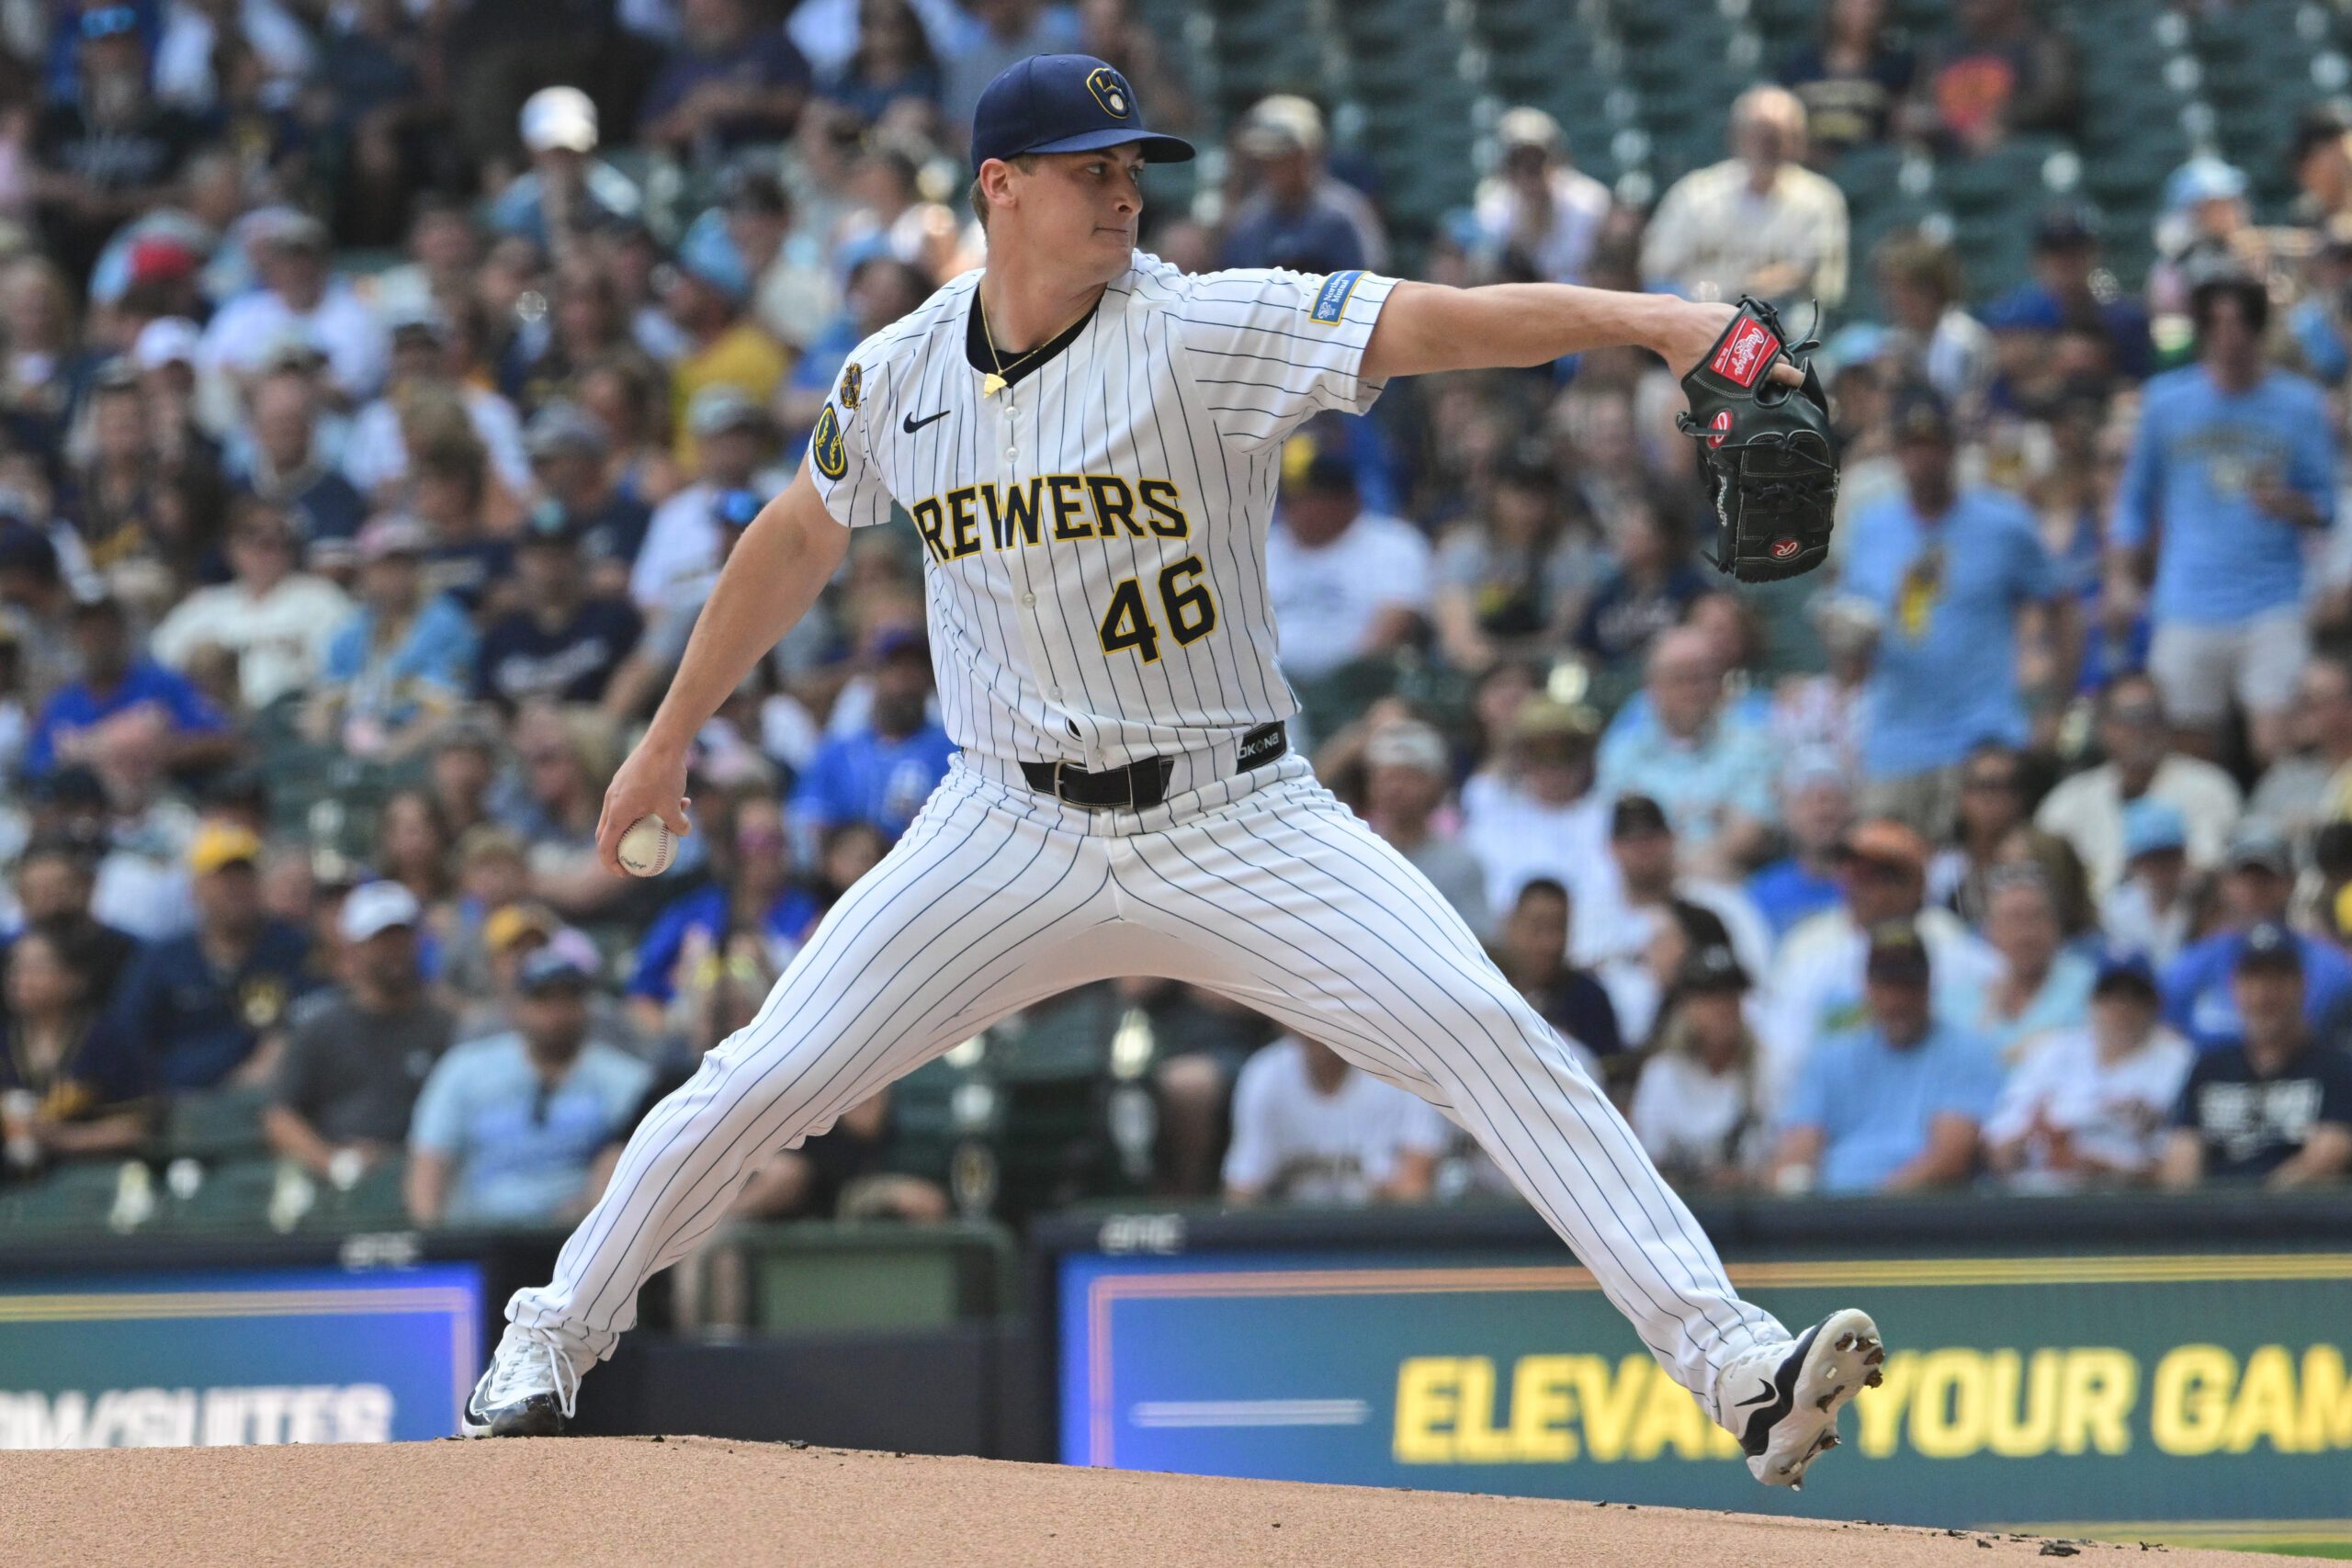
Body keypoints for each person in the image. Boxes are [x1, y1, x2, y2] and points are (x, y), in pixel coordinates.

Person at [468, 55, 1883, 1495]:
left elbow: (1443, 325)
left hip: (1236, 813)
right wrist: (665, 734)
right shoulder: (894, 370)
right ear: (999, 189)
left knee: (1488, 1030)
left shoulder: (1205, 324)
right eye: (1095, 169)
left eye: (1134, 167)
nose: (1126, 193)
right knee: (762, 1075)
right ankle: (546, 1340)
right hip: (1004, 820)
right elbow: (793, 536)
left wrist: (1663, 321)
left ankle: (1737, 1365)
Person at [2109, 275, 2336, 764]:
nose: (2229, 337)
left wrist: (2289, 504)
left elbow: (2327, 506)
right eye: (2216, 324)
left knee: (2276, 742)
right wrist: (2123, 576)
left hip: (2271, 595)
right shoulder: (2165, 403)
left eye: (2239, 324)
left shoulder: (2299, 405)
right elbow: (2133, 500)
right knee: (2189, 749)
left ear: (2258, 329)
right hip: (2189, 595)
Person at [1836, 388, 2072, 833]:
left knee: (1985, 875)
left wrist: (2054, 706)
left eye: (1933, 444)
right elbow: (1852, 653)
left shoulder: (2003, 522)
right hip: (1895, 741)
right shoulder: (1871, 528)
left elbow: (2062, 605)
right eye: (1911, 446)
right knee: (1887, 863)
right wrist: (1847, 641)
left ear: (1953, 447)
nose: (1923, 459)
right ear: (1896, 452)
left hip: (1984, 735)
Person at [406, 949, 652, 1227]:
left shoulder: (624, 1078)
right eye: (542, 999)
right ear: (517, 1007)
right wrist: (431, 1239)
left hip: (581, 1238)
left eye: (568, 998)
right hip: (481, 1238)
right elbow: (430, 1158)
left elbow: (643, 1169)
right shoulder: (464, 1070)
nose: (556, 1013)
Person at [1767, 818, 2005, 1101]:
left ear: (1915, 886)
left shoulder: (1968, 962)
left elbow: (1994, 1050)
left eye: (1875, 876)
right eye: (1851, 874)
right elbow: (1783, 1065)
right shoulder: (1811, 967)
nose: (1858, 887)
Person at [1771, 923, 2005, 1194]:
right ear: (1867, 988)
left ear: (1929, 985)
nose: (1897, 1000)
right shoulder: (1830, 1057)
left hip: (1921, 1213)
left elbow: (1950, 1159)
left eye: (1908, 986)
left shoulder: (1967, 1052)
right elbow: (1799, 1147)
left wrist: (1870, 1210)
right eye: (1886, 986)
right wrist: (1796, 1191)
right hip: (1830, 1213)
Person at [96, 821, 312, 1091]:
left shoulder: (292, 949)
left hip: (267, 1102)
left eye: (244, 876)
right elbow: (128, 1034)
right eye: (222, 878)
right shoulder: (165, 958)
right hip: (178, 1103)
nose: (234, 889)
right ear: (195, 888)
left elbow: (314, 1014)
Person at [263, 881, 455, 1181]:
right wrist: (333, 1162)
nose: (394, 951)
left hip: (426, 1170)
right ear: (352, 949)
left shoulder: (444, 1025)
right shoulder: (320, 1028)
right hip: (342, 1178)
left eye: (401, 937)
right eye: (380, 940)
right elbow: (280, 1117)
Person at [2160, 922, 2352, 1189]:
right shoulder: (2210, 1067)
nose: (2264, 995)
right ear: (2234, 987)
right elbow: (2181, 1162)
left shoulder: (2337, 1067)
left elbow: (2328, 1155)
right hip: (2210, 1219)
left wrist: (2252, 1210)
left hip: (2299, 1220)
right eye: (2252, 979)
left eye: (2278, 980)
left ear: (2302, 985)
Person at [1984, 947, 2191, 1190]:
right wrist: (2035, 1137)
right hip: (2037, 1203)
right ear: (2092, 1000)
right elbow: (1997, 1153)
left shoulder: (2180, 1061)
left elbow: (2181, 1170)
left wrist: (2102, 1171)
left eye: (2135, 996)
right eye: (2110, 995)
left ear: (2156, 1003)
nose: (2121, 1007)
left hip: (2130, 1207)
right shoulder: (2053, 1052)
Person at [2033, 672, 2242, 899]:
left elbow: (2210, 868)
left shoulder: (2210, 787)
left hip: (2183, 922)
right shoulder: (2069, 799)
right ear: (2105, 727)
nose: (2143, 728)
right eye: (2131, 717)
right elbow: (2044, 870)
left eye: (2153, 716)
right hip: (2090, 928)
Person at [1640, 85, 1849, 310]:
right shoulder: (1696, 193)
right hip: (1699, 325)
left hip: (1783, 333)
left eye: (1776, 137)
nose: (1766, 146)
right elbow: (1657, 270)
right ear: (1736, 136)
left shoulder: (1820, 199)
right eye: (1758, 134)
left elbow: (1816, 283)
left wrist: (1729, 291)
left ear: (1799, 141)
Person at [1596, 626, 1775, 878]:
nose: (1691, 691)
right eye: (1679, 679)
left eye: (1701, 678)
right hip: (1642, 883)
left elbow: (1747, 833)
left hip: (1721, 881)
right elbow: (1616, 828)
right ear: (1653, 687)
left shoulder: (1751, 745)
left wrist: (1683, 867)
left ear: (1719, 685)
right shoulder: (1623, 751)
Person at [2161, 824, 2352, 1053]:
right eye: (2244, 878)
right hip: (2215, 1083)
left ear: (2290, 883)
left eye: (2266, 878)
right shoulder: (2188, 968)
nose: (2254, 889)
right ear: (2225, 885)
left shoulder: (2334, 968)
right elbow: (2166, 1044)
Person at [150, 500, 352, 714]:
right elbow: (162, 660)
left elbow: (341, 672)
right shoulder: (206, 603)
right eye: (252, 535)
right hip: (211, 721)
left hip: (288, 717)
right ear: (231, 548)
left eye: (279, 536)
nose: (266, 545)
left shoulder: (321, 598)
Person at [1221, 1033, 1449, 1205]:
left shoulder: (1402, 1070)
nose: (1312, 1024)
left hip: (1382, 1238)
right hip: (1295, 1242)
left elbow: (1415, 1189)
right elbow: (1241, 1191)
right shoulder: (1265, 1073)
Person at [1264, 451, 1431, 685]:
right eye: (1287, 500)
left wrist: (1337, 684)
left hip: (1360, 687)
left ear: (1344, 499)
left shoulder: (1394, 544)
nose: (1291, 510)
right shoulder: (1263, 550)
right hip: (1270, 688)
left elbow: (1395, 623)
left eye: (1305, 499)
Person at [786, 627, 956, 857]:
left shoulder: (950, 751)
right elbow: (807, 821)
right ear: (874, 675)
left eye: (916, 668)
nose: (905, 678)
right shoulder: (838, 751)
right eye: (895, 667)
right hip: (841, 881)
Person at [25, 593, 233, 777]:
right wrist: (97, 752)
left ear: (123, 631)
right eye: (88, 630)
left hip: (162, 803)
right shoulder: (61, 705)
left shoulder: (162, 683)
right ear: (74, 638)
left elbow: (223, 742)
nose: (99, 638)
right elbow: (38, 769)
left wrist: (157, 751)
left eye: (107, 627)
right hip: (87, 810)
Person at [0, 925, 148, 1180]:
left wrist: (61, 1138)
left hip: (94, 1182)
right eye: (15, 967)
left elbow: (137, 1128)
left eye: (37, 967)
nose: (21, 977)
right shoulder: (5, 1041)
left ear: (75, 978)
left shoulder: (106, 1041)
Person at [472, 509, 643, 712]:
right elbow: (484, 703)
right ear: (519, 561)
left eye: (560, 554)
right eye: (539, 555)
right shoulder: (502, 633)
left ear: (579, 557)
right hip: (516, 735)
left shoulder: (614, 620)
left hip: (590, 732)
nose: (550, 565)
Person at [1630, 944, 1770, 1190]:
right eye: (1710, 997)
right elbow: (1646, 1162)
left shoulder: (1767, 1067)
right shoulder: (1661, 1073)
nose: (1723, 1008)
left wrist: (1748, 1177)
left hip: (1751, 1211)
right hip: (1680, 1209)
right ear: (1685, 1006)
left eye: (1731, 996)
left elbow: (1785, 1161)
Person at [1357, 719, 1488, 939]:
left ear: (1436, 785)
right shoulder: (1357, 853)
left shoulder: (1461, 864)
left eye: (1408, 777)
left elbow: (1482, 939)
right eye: (1386, 777)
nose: (1395, 788)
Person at [1965, 864, 2095, 1064]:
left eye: (2037, 916)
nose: (2026, 933)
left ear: (2057, 925)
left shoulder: (2089, 986)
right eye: (2014, 918)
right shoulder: (1959, 993)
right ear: (1990, 930)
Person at [1471, 107, 1611, 288]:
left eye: (1535, 163)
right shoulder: (1493, 209)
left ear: (1557, 161)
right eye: (1516, 162)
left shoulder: (1590, 204)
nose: (1526, 173)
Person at [1488, 877, 1622, 1065]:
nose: (1549, 943)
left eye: (1559, 927)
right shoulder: (1487, 987)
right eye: (1538, 928)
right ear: (1511, 925)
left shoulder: (1589, 999)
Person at [1746, 750, 1854, 940]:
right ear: (1786, 815)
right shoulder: (1760, 895)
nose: (1821, 812)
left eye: (1831, 799)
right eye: (1807, 801)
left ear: (1850, 810)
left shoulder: (1870, 885)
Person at [2100, 799, 2195, 968]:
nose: (2161, 867)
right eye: (2151, 859)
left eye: (2169, 856)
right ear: (2134, 862)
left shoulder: (2204, 905)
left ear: (2183, 857)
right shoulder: (2114, 909)